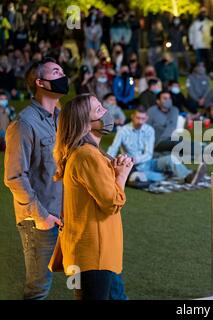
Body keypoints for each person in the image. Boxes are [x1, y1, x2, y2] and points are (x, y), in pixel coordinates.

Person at [52, 93, 132, 300]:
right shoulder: (87, 155)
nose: (106, 113)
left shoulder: (86, 153)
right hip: (94, 254)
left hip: (92, 251)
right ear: (85, 125)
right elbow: (111, 202)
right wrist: (122, 176)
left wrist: (113, 174)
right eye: (99, 111)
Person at [4, 57, 68, 299]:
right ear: (40, 82)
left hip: (64, 214)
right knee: (38, 288)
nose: (63, 76)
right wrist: (41, 216)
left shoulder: (61, 118)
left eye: (62, 70)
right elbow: (14, 177)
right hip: (39, 220)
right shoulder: (23, 123)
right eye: (56, 72)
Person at [107, 107, 206, 186]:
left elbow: (149, 154)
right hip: (134, 167)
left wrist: (137, 159)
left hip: (150, 162)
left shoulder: (149, 130)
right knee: (141, 176)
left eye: (143, 118)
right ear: (133, 116)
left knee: (171, 159)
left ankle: (189, 175)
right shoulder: (123, 131)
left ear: (146, 118)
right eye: (138, 118)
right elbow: (113, 148)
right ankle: (169, 175)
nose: (140, 121)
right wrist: (107, 163)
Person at [189, 7, 213, 71]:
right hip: (198, 44)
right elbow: (191, 33)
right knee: (199, 60)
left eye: (204, 13)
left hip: (206, 44)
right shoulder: (195, 23)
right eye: (202, 13)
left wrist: (211, 40)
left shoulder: (209, 22)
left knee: (208, 59)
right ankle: (199, 71)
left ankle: (208, 71)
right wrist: (191, 42)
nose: (203, 14)